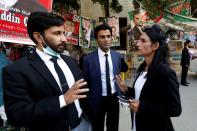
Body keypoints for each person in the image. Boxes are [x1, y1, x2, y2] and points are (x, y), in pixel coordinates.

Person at [2, 12, 90, 131]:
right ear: (38, 37)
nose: (64, 39)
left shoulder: (71, 61)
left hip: (82, 124)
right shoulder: (17, 70)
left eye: (63, 33)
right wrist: (63, 99)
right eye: (57, 33)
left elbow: (82, 93)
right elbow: (17, 115)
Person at [116, 24, 182, 131]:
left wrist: (142, 107)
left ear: (155, 46)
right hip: (138, 124)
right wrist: (127, 90)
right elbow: (143, 96)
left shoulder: (165, 73)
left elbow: (175, 109)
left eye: (143, 41)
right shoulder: (143, 68)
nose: (138, 43)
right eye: (138, 40)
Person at [83, 24, 122, 131]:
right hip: (96, 99)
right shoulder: (88, 59)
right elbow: (85, 82)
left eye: (108, 36)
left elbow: (117, 75)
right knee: (97, 127)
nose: (106, 40)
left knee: (113, 127)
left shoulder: (117, 56)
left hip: (114, 98)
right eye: (102, 37)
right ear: (96, 39)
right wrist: (86, 103)